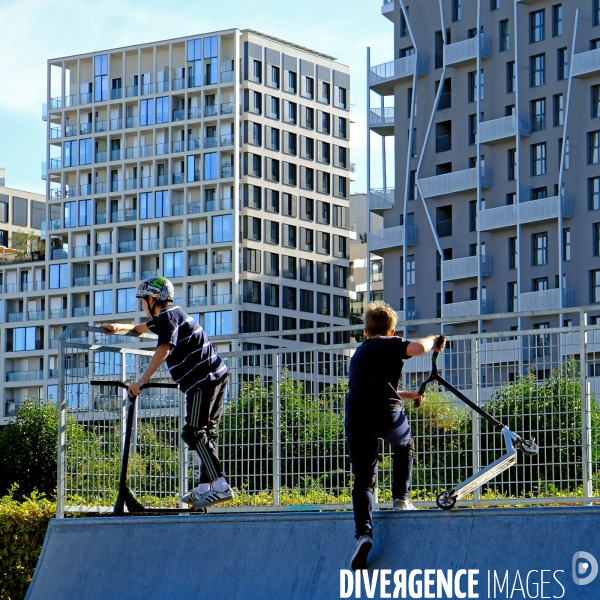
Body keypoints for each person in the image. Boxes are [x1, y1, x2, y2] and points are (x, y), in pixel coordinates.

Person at [101, 276, 234, 508]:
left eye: (143, 301)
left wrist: (140, 382)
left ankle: (221, 486)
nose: (142, 306)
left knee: (193, 432)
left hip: (203, 379)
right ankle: (205, 488)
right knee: (206, 434)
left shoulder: (167, 316)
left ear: (152, 299)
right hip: (216, 374)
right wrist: (120, 327)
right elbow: (141, 327)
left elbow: (163, 348)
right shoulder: (173, 315)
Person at [346, 302, 445, 570]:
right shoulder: (388, 343)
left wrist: (408, 394)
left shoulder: (360, 353)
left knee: (364, 479)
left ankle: (364, 534)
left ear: (365, 331)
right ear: (391, 330)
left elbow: (374, 388)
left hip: (357, 418)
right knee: (404, 443)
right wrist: (433, 340)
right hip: (386, 415)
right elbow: (419, 348)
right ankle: (401, 499)